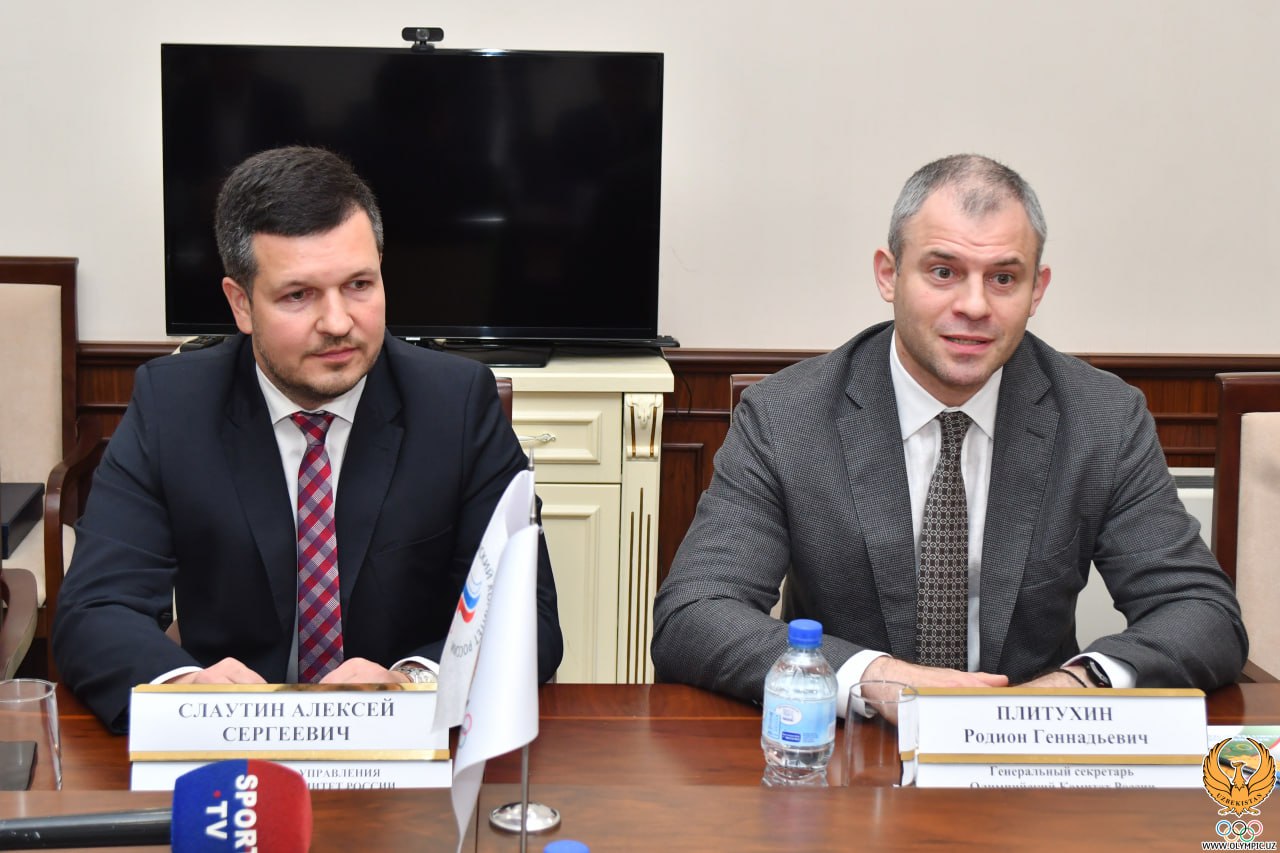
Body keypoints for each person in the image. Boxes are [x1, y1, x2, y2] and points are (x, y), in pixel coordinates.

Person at [651, 154, 1245, 716]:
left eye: (1004, 278)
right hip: (848, 747)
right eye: (943, 272)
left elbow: (1201, 612)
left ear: (1037, 290)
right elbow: (696, 614)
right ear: (889, 275)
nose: (975, 305)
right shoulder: (788, 416)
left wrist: (1075, 685)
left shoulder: (1101, 418)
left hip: (1027, 747)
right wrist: (874, 677)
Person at [54, 146, 563, 731]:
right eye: (298, 295)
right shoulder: (174, 407)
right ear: (241, 304)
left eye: (359, 285)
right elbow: (94, 609)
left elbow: (527, 617)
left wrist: (414, 682)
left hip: (402, 749)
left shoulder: (457, 404)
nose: (339, 322)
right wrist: (186, 688)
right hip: (236, 742)